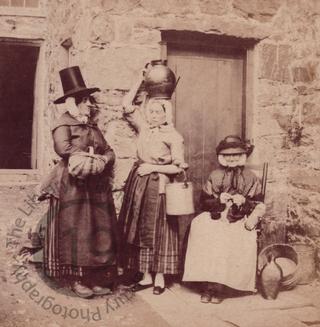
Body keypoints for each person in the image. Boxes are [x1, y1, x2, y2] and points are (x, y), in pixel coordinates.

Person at [39, 66, 118, 298]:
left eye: (90, 101)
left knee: (96, 229)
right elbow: (63, 148)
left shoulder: (92, 127)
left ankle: (93, 278)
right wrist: (87, 158)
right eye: (85, 101)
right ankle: (76, 279)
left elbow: (110, 151)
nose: (89, 105)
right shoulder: (63, 124)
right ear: (73, 103)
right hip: (72, 184)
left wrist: (103, 159)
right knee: (76, 229)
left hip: (95, 186)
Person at [118, 69, 188, 295]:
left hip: (160, 187)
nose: (154, 115)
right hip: (139, 185)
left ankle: (160, 277)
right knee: (140, 230)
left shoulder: (173, 136)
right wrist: (141, 79)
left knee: (159, 230)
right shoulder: (144, 128)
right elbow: (127, 104)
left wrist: (153, 167)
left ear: (166, 113)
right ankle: (146, 276)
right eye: (151, 111)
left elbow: (178, 167)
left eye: (158, 112)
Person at [183, 135, 266, 303]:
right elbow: (204, 203)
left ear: (243, 156)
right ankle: (208, 285)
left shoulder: (251, 177)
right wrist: (219, 200)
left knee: (226, 237)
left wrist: (244, 202)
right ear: (222, 157)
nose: (232, 158)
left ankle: (219, 288)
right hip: (217, 214)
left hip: (240, 218)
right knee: (200, 228)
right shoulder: (215, 175)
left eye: (236, 154)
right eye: (228, 155)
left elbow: (258, 204)